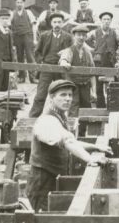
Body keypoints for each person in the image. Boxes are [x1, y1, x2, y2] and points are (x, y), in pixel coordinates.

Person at [27, 79, 110, 212]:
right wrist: (90, 159)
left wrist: (95, 147)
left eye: (70, 95)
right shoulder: (47, 120)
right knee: (43, 221)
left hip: (53, 177)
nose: (68, 99)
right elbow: (67, 142)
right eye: (63, 95)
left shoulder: (60, 116)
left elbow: (72, 141)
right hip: (42, 182)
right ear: (52, 98)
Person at [29, 12, 72, 116]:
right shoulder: (44, 36)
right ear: (51, 23)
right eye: (55, 22)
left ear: (62, 23)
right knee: (40, 94)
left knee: (61, 95)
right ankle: (33, 118)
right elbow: (37, 52)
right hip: (47, 68)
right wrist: (42, 62)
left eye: (59, 22)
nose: (57, 24)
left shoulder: (68, 37)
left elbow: (71, 51)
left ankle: (60, 117)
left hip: (61, 70)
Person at [88, 11, 119, 106]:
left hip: (111, 62)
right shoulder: (94, 32)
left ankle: (114, 107)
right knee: (98, 87)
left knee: (114, 85)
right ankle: (100, 108)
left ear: (111, 21)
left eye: (108, 19)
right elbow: (82, 40)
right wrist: (90, 49)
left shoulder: (115, 32)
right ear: (100, 21)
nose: (106, 21)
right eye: (104, 19)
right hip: (98, 63)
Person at [58, 23, 96, 115]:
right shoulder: (69, 50)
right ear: (74, 36)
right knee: (73, 108)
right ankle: (72, 129)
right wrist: (64, 62)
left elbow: (92, 73)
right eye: (79, 35)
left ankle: (83, 129)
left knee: (86, 108)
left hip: (85, 85)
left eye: (83, 35)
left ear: (86, 37)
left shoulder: (88, 53)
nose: (81, 38)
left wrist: (94, 92)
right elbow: (63, 60)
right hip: (72, 86)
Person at [10, 0, 38, 83]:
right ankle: (21, 76)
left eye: (21, 2)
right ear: (15, 3)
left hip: (27, 36)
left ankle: (32, 77)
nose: (19, 4)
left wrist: (34, 39)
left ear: (23, 3)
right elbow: (8, 24)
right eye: (17, 2)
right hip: (17, 37)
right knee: (19, 56)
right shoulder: (12, 13)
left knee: (30, 56)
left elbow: (34, 26)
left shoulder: (28, 12)